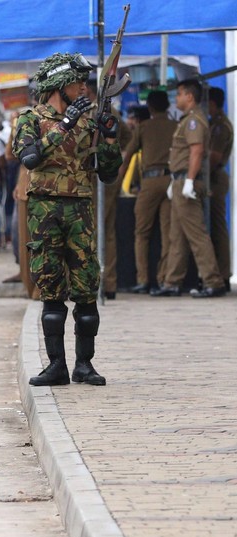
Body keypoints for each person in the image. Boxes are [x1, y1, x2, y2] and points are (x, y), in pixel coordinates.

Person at [12, 52, 122, 387]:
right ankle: (56, 365)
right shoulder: (30, 119)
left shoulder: (91, 120)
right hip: (45, 211)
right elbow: (30, 158)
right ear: (62, 86)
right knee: (51, 288)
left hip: (80, 211)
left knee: (87, 287)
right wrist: (65, 125)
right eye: (79, 82)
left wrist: (110, 138)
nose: (84, 88)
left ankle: (84, 364)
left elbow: (108, 173)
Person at [151, 79, 226, 298]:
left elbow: (196, 151)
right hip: (179, 180)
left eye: (179, 95)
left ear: (189, 96)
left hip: (187, 181)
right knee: (177, 235)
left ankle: (213, 281)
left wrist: (190, 181)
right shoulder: (188, 120)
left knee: (196, 234)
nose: (176, 99)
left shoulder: (194, 121)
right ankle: (172, 282)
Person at [118, 90, 177, 294]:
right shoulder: (175, 126)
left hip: (150, 181)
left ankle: (143, 279)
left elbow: (128, 156)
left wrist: (117, 182)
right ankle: (163, 279)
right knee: (168, 233)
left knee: (142, 233)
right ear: (168, 106)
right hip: (171, 180)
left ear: (150, 107)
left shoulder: (144, 127)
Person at [85, 78, 132, 299]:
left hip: (101, 176)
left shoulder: (100, 111)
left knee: (98, 230)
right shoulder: (98, 110)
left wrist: (116, 161)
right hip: (96, 176)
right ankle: (106, 282)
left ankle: (104, 282)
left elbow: (128, 139)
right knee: (104, 231)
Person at [208, 86, 232, 289]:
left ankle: (223, 273)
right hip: (212, 176)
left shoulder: (220, 126)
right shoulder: (214, 123)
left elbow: (214, 157)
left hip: (215, 176)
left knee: (218, 225)